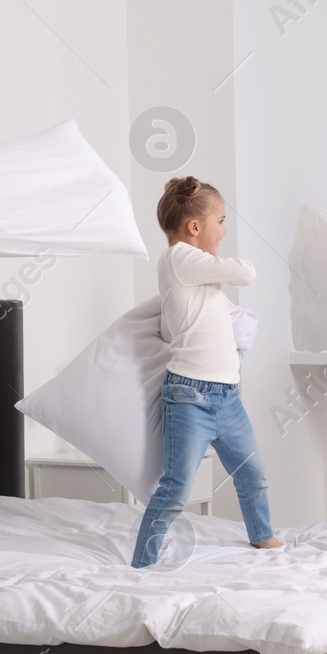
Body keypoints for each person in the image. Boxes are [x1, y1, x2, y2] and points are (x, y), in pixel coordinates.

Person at [132, 176, 279, 567]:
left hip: (226, 396)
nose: (224, 230)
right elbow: (244, 272)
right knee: (178, 488)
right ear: (195, 228)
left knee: (254, 473)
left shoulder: (197, 272)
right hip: (189, 397)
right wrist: (238, 265)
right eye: (221, 221)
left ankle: (262, 537)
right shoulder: (180, 257)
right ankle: (143, 561)